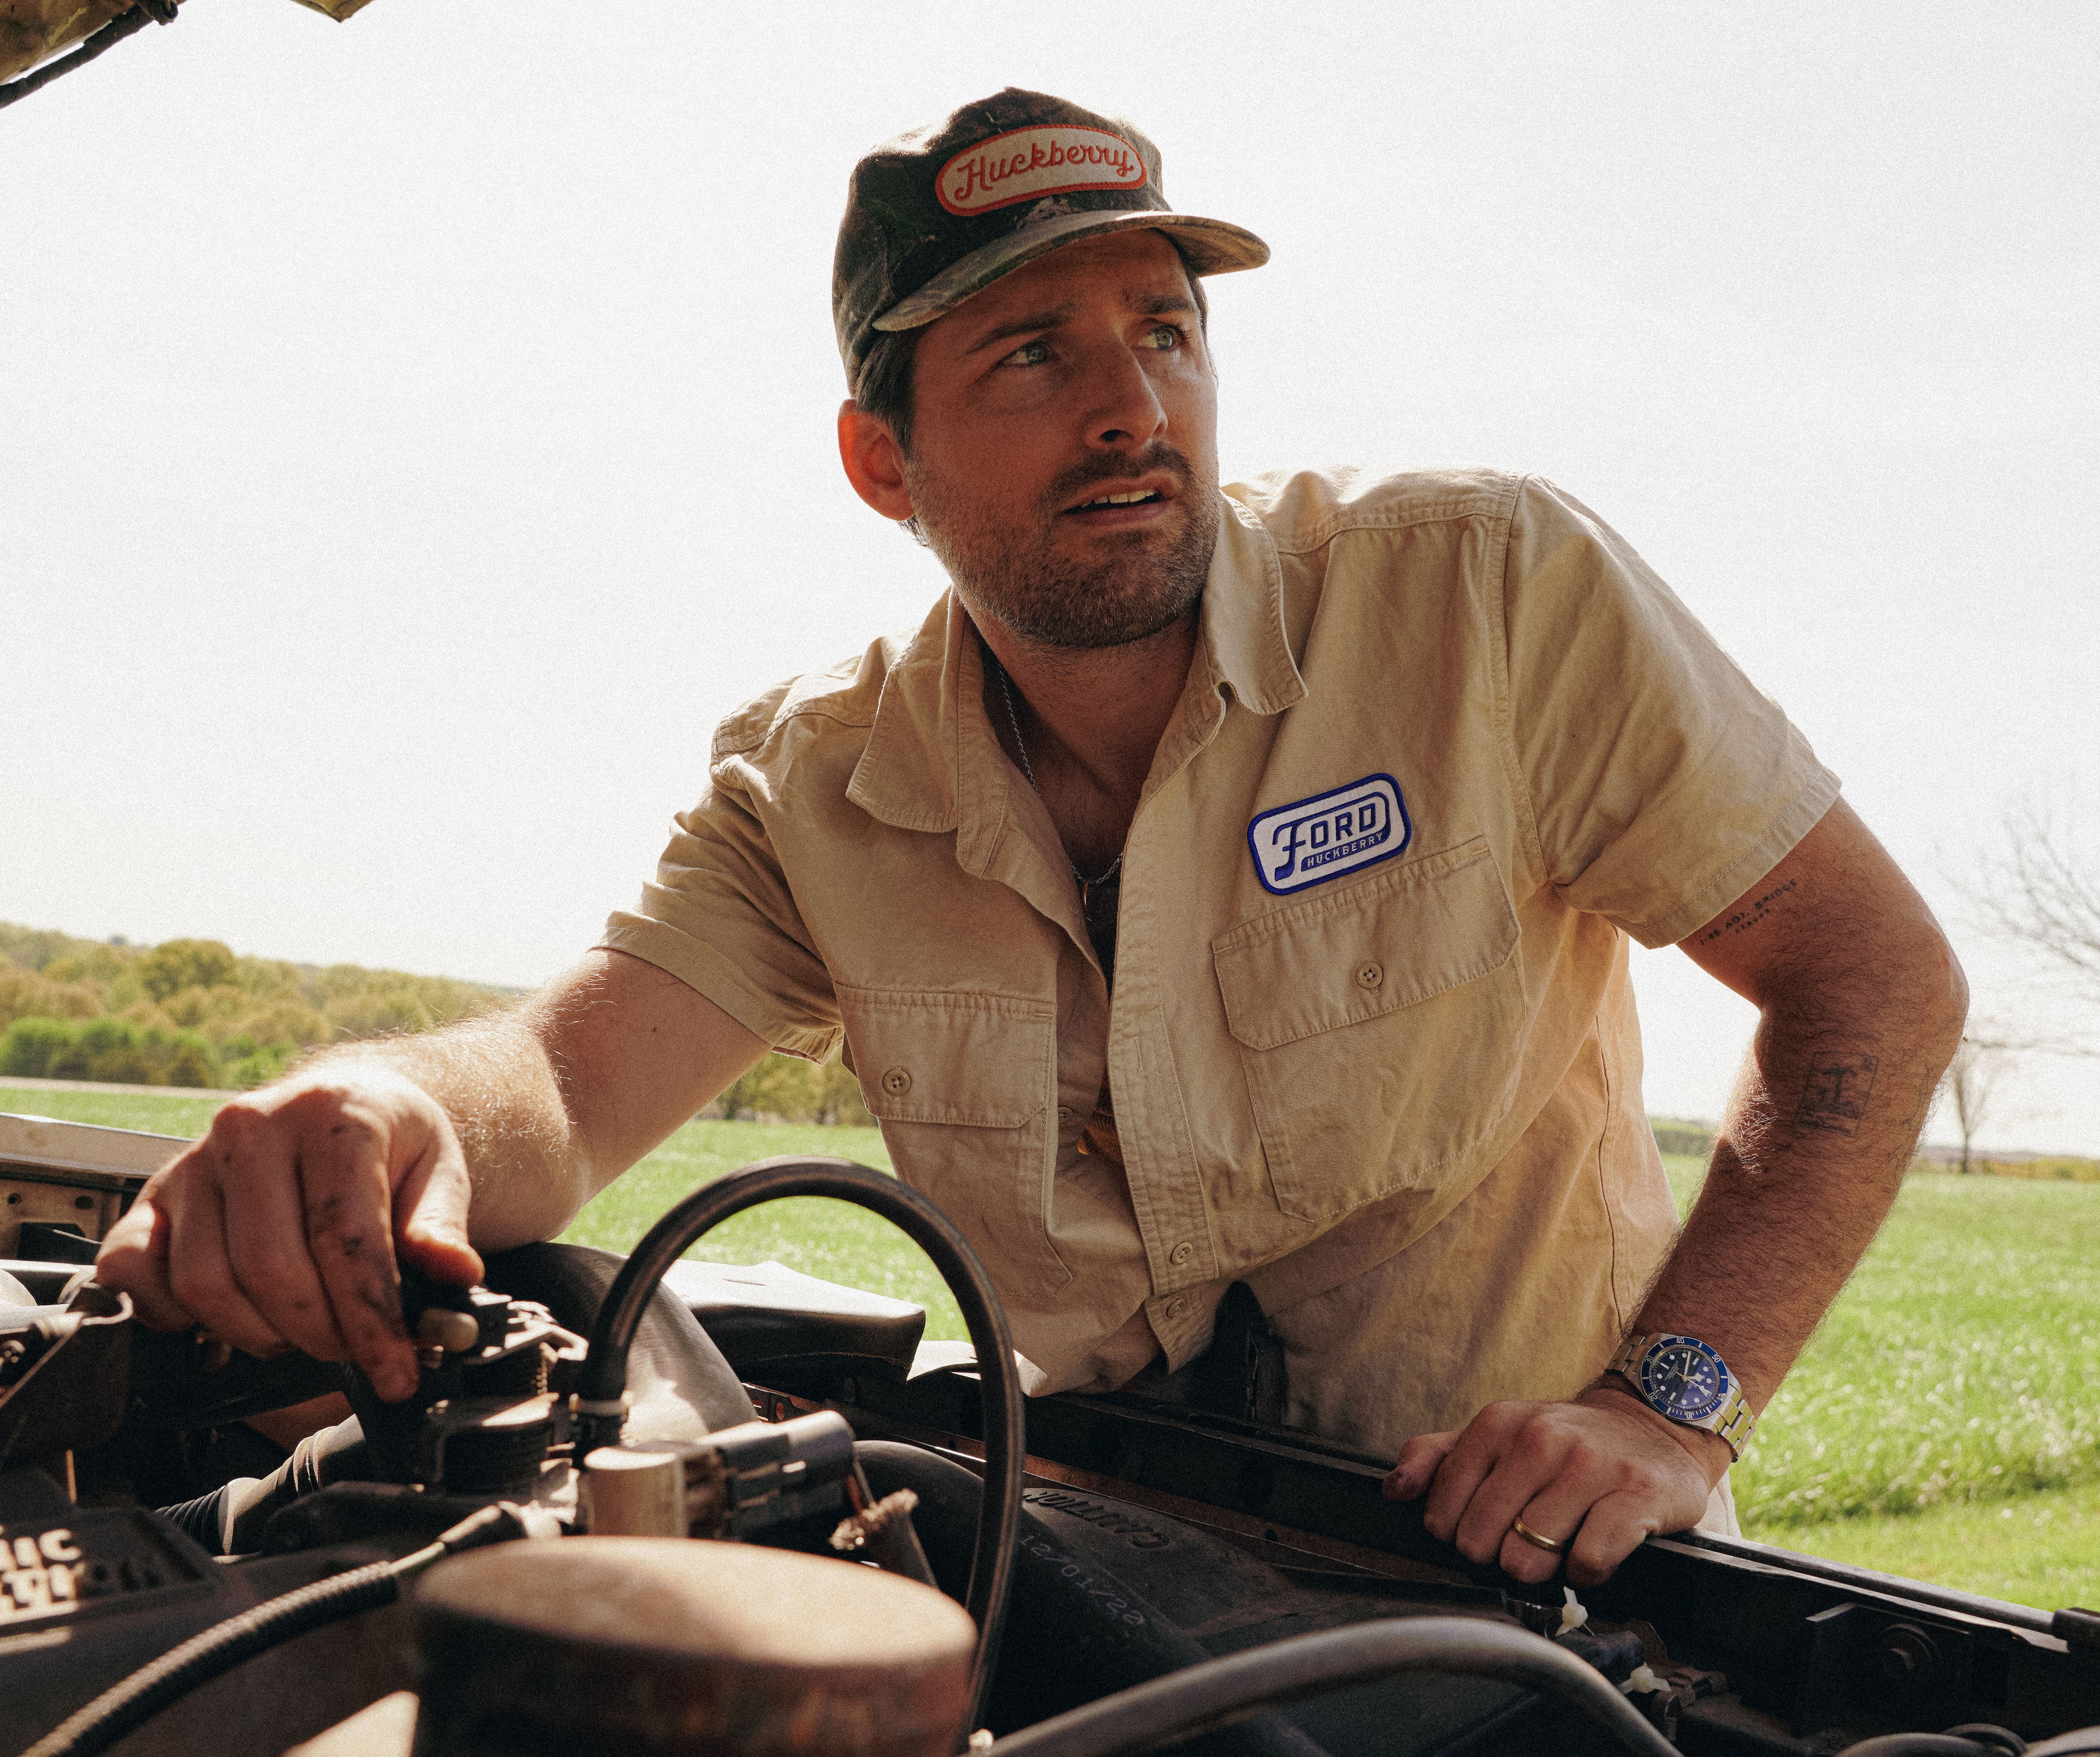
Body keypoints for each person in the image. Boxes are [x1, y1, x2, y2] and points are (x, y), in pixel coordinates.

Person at [97, 89, 1967, 1588]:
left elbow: (1869, 979)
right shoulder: (817, 786)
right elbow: (560, 1082)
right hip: (1108, 1564)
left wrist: (1673, 1404)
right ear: (881, 462)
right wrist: (383, 1110)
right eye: (1032, 357)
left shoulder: (1485, 593)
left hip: (1550, 1566)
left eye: (1167, 331)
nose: (1135, 407)